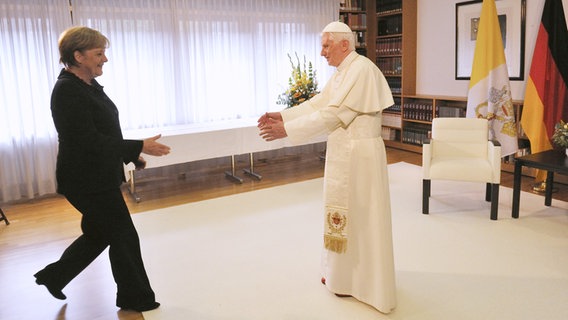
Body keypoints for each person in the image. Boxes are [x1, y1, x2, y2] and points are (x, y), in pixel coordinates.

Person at [257, 21, 396, 313]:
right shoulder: (343, 72)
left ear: (344, 44)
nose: (321, 52)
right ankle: (342, 275)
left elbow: (333, 114)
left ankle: (365, 282)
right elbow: (318, 104)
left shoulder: (361, 70)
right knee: (344, 214)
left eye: (326, 45)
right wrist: (283, 117)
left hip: (361, 156)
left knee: (362, 216)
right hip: (345, 152)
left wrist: (287, 131)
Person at [33, 26, 170, 312]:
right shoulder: (67, 91)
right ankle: (135, 299)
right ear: (78, 56)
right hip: (85, 181)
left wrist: (132, 156)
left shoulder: (87, 85)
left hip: (98, 176)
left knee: (100, 234)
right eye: (99, 53)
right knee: (123, 236)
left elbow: (104, 130)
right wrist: (137, 146)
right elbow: (87, 140)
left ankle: (54, 276)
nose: (104, 59)